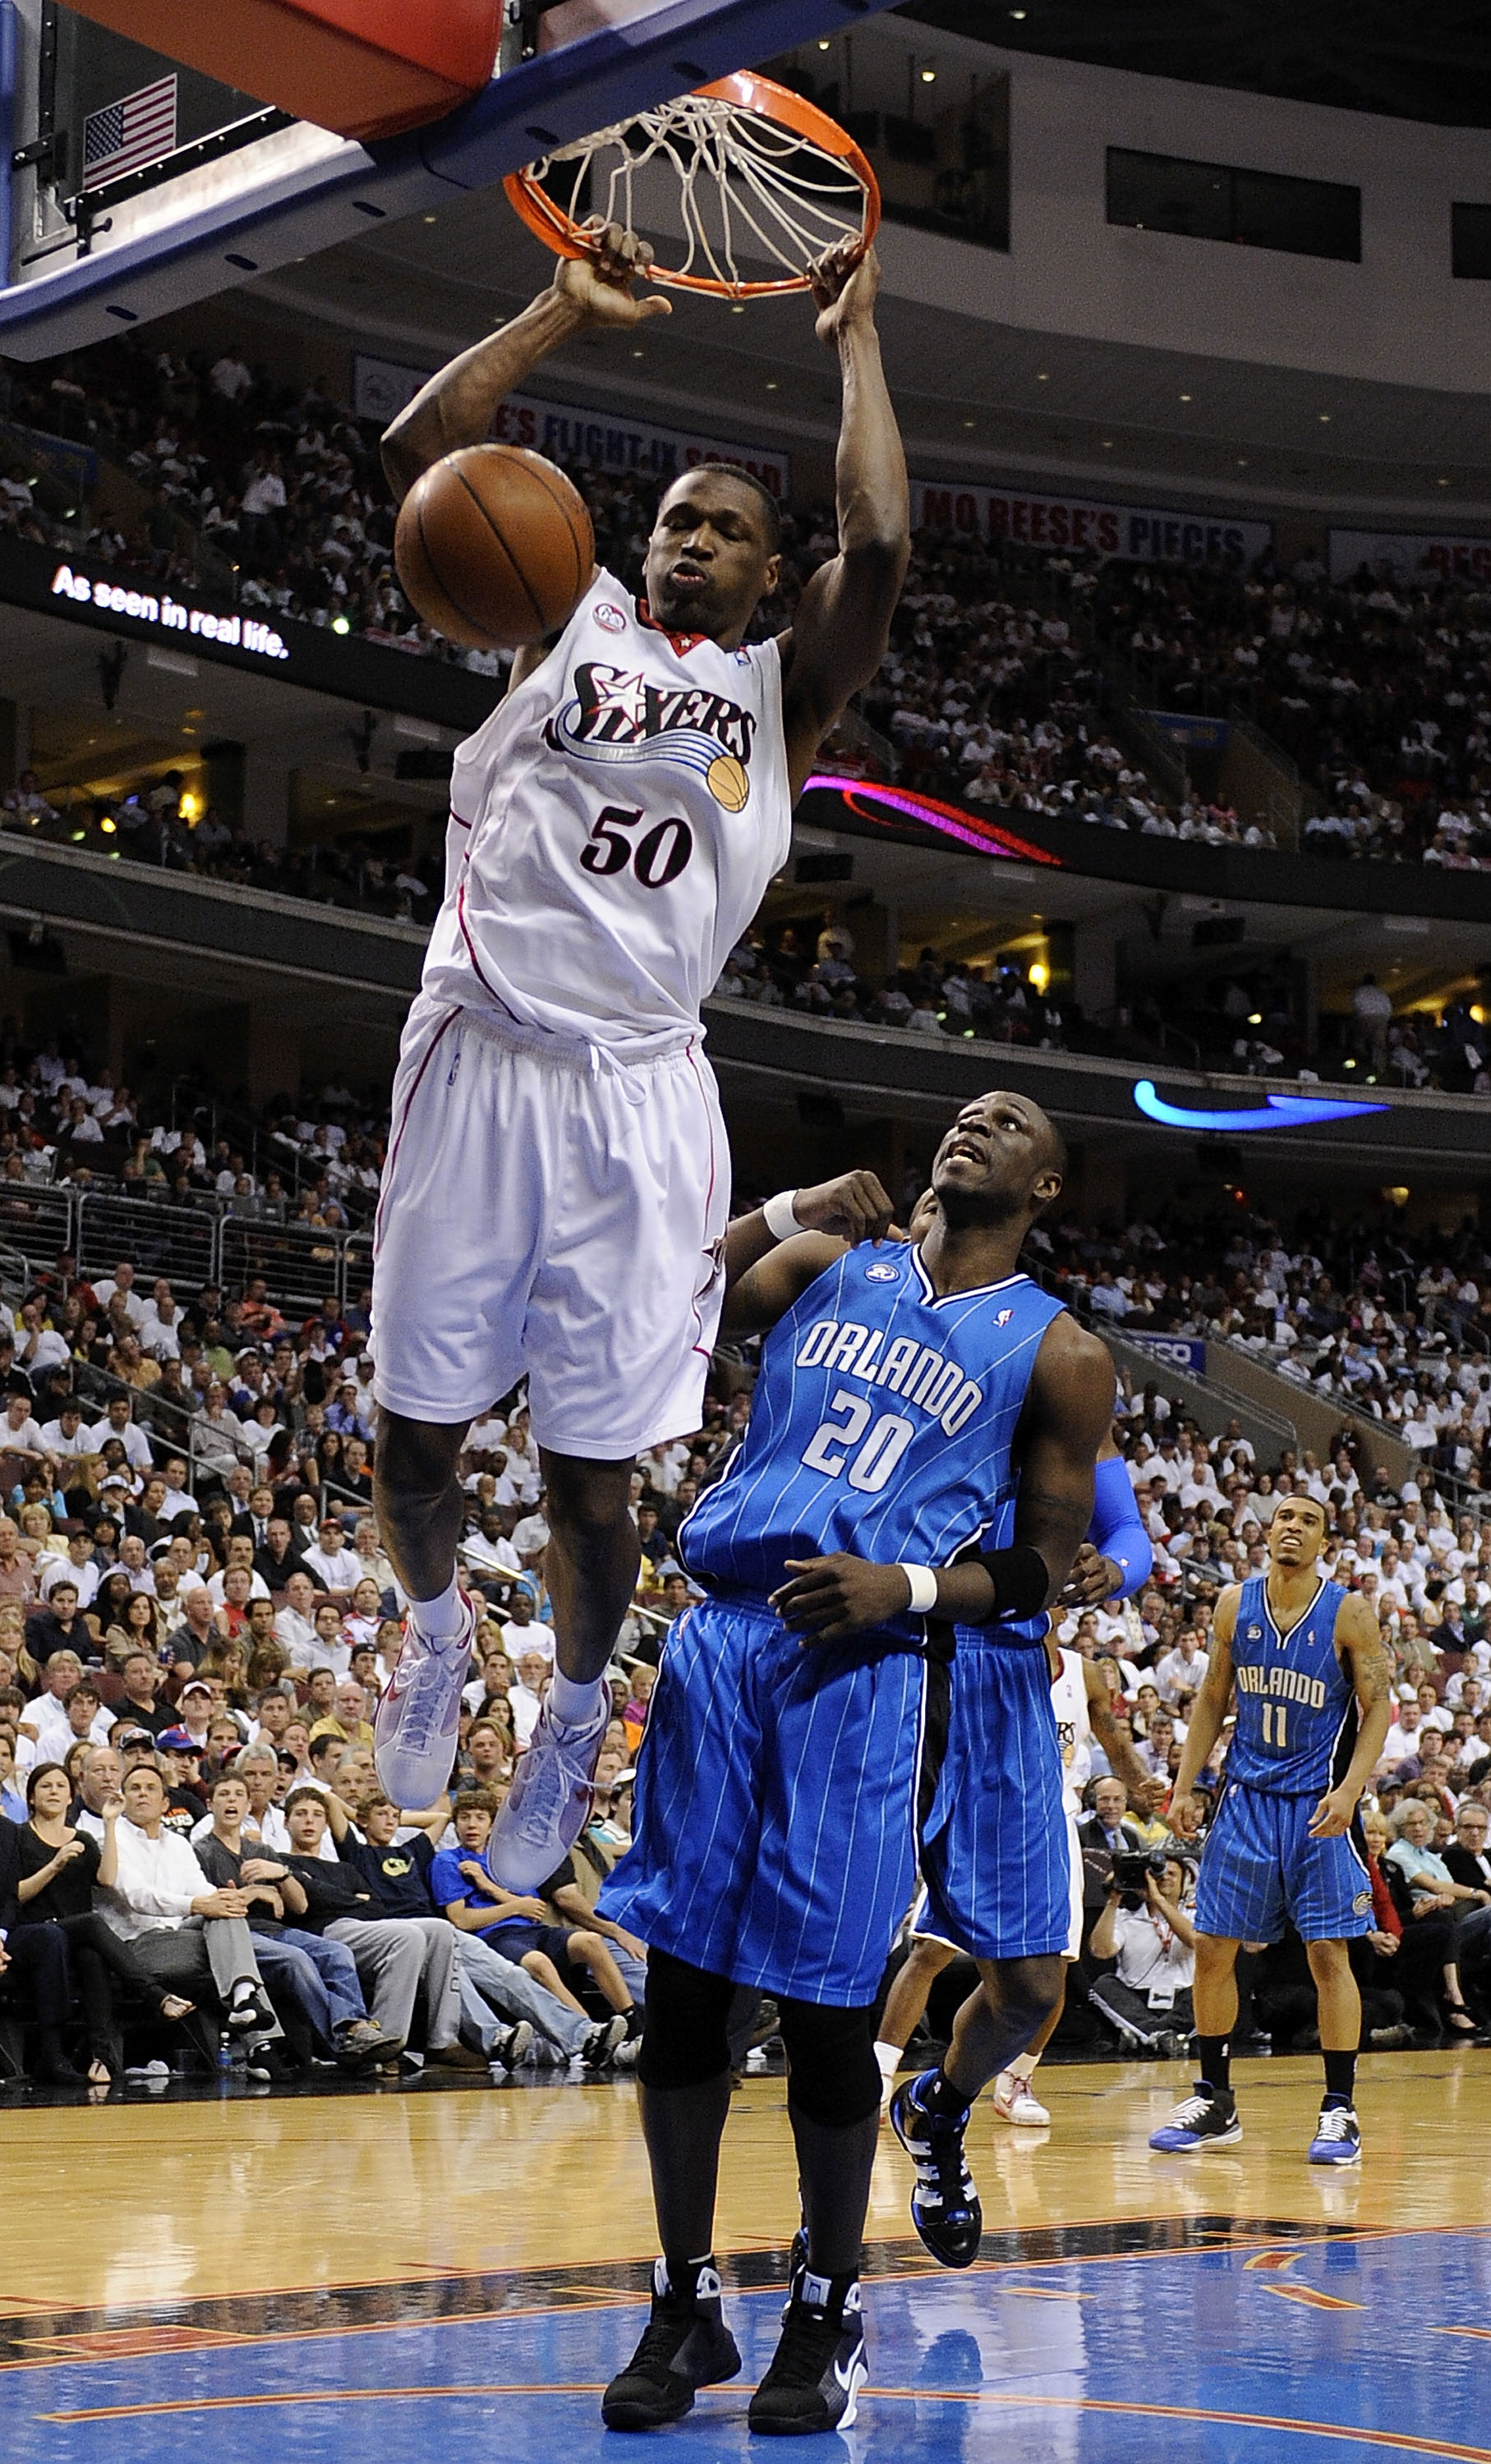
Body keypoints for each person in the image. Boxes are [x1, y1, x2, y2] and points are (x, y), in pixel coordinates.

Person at [370, 218, 910, 1950]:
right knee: (412, 1439)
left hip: (640, 1099)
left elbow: (883, 539)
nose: (688, 543)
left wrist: (853, 340)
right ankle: (440, 1633)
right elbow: (420, 464)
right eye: (673, 519)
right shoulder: (560, 609)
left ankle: (573, 1712)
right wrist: (554, 310)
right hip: (481, 1050)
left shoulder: (780, 694)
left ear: (769, 578)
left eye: (725, 530)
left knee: (593, 1484)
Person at [595, 1106, 1111, 2434]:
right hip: (720, 1643)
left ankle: (827, 2308)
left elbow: (1051, 1564)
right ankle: (685, 2300)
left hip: (865, 1669)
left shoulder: (1057, 1348)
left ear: (1043, 1184)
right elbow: (669, 1306)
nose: (974, 1121)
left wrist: (912, 1585)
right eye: (964, 1110)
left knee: (828, 2011)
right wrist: (783, 1206)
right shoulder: (837, 1257)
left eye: (1009, 1123)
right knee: (686, 2006)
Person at [872, 1420, 1161, 2126]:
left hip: (1006, 1686)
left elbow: (1128, 1533)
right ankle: (864, 2083)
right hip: (904, 1651)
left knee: (1034, 1980)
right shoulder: (937, 1393)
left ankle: (941, 2108)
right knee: (875, 1928)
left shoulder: (1075, 1407)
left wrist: (1114, 1570)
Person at [1153, 1494, 1392, 2166]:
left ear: (1324, 1541)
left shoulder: (1348, 1611)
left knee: (1327, 1957)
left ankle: (1339, 2109)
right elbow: (1209, 1700)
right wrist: (1182, 1786)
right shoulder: (1234, 1604)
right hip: (1245, 1801)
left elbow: (1379, 1708)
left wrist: (1351, 1791)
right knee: (1211, 1949)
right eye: (1283, 1517)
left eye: (1307, 1520)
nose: (1292, 1527)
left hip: (1318, 1804)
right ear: (1266, 1530)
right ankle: (1214, 2099)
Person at [12, 1761, 196, 2083]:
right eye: (45, 1786)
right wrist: (54, 1865)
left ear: (71, 1797)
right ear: (31, 1798)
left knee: (93, 1955)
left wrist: (110, 1824)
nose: (53, 1792)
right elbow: (15, 1895)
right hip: (34, 1931)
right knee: (93, 1925)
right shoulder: (19, 1837)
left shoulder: (82, 1837)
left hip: (74, 1933)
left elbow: (108, 1879)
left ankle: (101, 2059)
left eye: (60, 1787)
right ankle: (156, 1995)